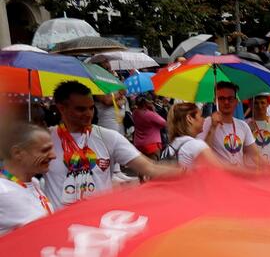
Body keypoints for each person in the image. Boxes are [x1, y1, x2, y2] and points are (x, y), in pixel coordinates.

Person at [43, 81, 177, 208]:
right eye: (81, 109)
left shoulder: (108, 137)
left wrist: (184, 172)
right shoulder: (45, 139)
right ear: (62, 108)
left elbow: (150, 167)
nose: (88, 114)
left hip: (98, 220)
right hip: (59, 222)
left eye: (91, 108)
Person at [0, 122, 55, 235]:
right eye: (45, 150)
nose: (53, 156)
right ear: (17, 153)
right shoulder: (4, 192)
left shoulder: (33, 182)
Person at [198, 81, 262, 169]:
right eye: (221, 98)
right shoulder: (205, 123)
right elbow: (202, 156)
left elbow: (255, 155)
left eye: (230, 98)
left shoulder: (243, 125)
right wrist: (212, 128)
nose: (226, 102)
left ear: (236, 101)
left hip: (239, 176)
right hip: (216, 176)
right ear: (215, 101)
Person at [164, 102, 217, 170]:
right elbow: (220, 169)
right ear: (189, 118)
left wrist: (212, 128)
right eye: (201, 116)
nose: (204, 119)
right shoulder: (195, 144)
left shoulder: (172, 145)